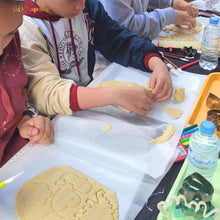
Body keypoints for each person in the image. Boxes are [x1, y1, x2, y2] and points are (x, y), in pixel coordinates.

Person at [19, 0, 173, 118]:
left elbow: (117, 40)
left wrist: (155, 61)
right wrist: (114, 95)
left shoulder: (88, 8)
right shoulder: (24, 26)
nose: (80, 5)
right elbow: (46, 93)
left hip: (87, 105)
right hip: (47, 122)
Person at [0, 0, 54, 167]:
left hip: (17, 158)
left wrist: (25, 117)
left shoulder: (11, 43)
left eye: (10, 32)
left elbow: (15, 90)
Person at [99, 0, 199, 40]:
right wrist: (169, 16)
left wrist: (173, 2)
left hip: (135, 42)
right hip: (110, 59)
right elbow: (125, 27)